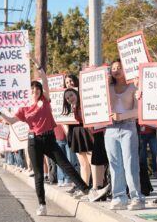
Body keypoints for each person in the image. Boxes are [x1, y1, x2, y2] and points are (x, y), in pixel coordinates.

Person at [0, 58, 89, 216]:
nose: (35, 92)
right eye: (32, 90)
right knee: (39, 174)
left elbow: (45, 80)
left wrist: (36, 64)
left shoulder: (45, 100)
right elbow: (12, 120)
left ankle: (87, 190)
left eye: (37, 89)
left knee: (66, 165)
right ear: (28, 92)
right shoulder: (24, 108)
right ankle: (42, 204)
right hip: (34, 141)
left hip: (49, 139)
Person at [104, 58, 145, 210]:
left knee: (130, 163)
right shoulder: (107, 87)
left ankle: (136, 197)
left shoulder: (133, 87)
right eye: (113, 68)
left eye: (119, 67)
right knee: (114, 164)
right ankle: (119, 197)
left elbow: (138, 111)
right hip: (110, 129)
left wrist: (122, 116)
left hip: (128, 127)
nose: (116, 70)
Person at [62, 88, 109, 201]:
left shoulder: (84, 105)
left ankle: (96, 186)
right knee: (83, 163)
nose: (70, 99)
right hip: (77, 134)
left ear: (77, 93)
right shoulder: (73, 108)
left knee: (93, 160)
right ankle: (86, 188)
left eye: (71, 95)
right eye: (67, 98)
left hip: (88, 133)